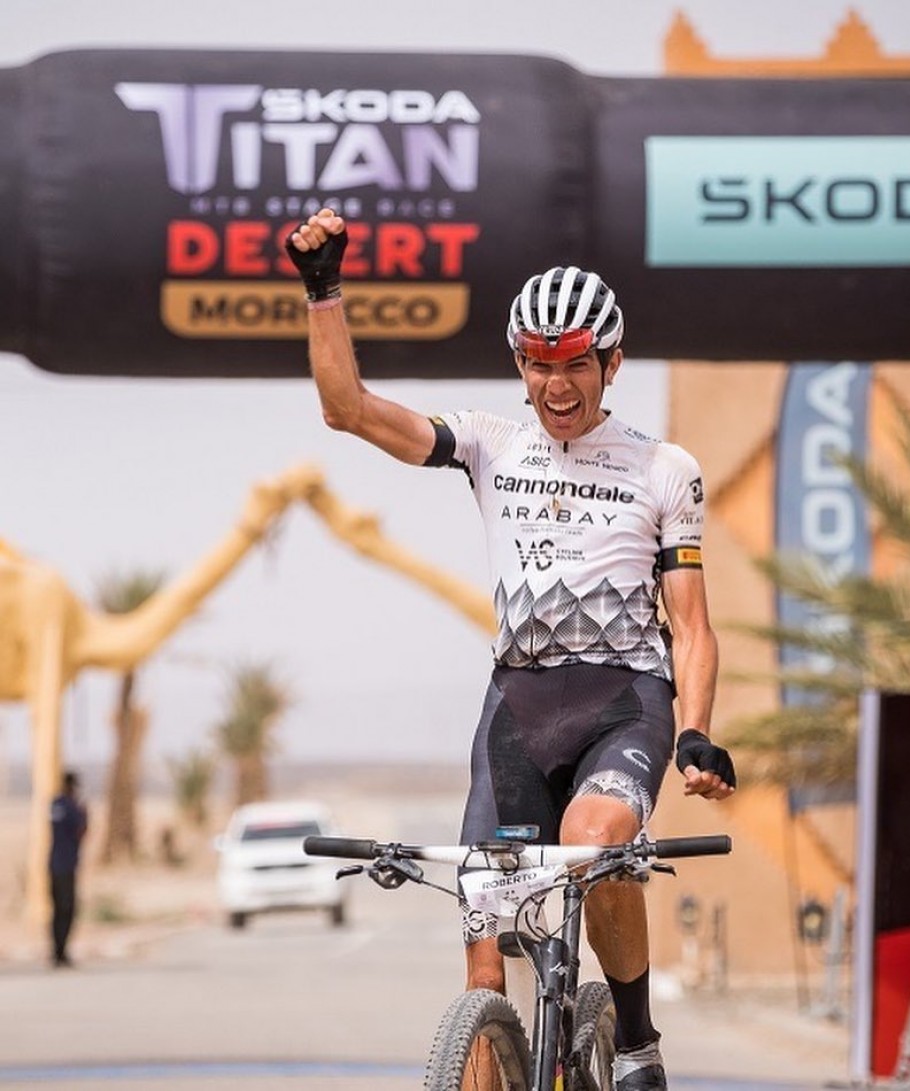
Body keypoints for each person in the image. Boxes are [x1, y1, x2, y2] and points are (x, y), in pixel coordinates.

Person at [287, 208, 736, 1090]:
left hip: (624, 703)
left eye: (575, 364)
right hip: (517, 711)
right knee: (485, 977)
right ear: (518, 364)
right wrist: (323, 290)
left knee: (592, 839)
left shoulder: (663, 469)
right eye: (538, 363)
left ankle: (637, 1040)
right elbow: (347, 410)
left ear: (611, 363)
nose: (557, 384)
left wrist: (697, 731)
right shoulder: (493, 444)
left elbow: (691, 622)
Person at [49, 770, 88, 968]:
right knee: (67, 909)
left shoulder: (55, 804)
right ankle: (60, 952)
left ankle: (57, 951)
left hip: (54, 864)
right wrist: (84, 814)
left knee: (57, 910)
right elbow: (81, 831)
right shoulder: (73, 807)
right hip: (66, 865)